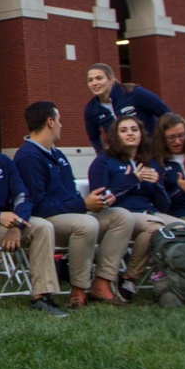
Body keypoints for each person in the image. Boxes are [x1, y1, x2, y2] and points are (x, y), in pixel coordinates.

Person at [14, 102, 132, 307]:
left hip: (73, 213)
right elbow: (39, 206)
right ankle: (79, 289)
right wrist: (83, 205)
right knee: (86, 224)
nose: (62, 124)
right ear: (50, 122)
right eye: (59, 119)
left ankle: (103, 282)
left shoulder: (57, 154)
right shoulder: (28, 157)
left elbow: (71, 194)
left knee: (122, 217)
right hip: (46, 222)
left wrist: (96, 201)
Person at [88, 114, 176, 301]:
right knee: (155, 227)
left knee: (184, 229)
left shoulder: (149, 162)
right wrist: (130, 180)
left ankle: (181, 281)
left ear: (142, 134)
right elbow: (102, 199)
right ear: (115, 135)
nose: (130, 134)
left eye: (134, 130)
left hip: (150, 213)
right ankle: (129, 279)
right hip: (118, 215)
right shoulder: (104, 161)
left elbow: (165, 206)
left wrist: (158, 185)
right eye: (124, 130)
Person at [0, 152, 67, 320]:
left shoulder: (2, 162)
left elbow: (22, 195)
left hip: (6, 223)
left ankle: (41, 296)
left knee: (42, 227)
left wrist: (16, 224)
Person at [84, 62, 169, 153]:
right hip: (123, 158)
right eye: (90, 80)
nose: (94, 83)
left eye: (99, 78)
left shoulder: (134, 93)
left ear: (111, 79)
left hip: (151, 153)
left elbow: (166, 114)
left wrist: (164, 143)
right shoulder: (91, 109)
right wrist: (102, 154)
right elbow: (94, 137)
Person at [155, 113, 185, 230]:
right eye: (171, 137)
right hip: (181, 214)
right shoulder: (157, 163)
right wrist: (181, 190)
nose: (178, 141)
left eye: (181, 136)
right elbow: (160, 203)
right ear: (162, 138)